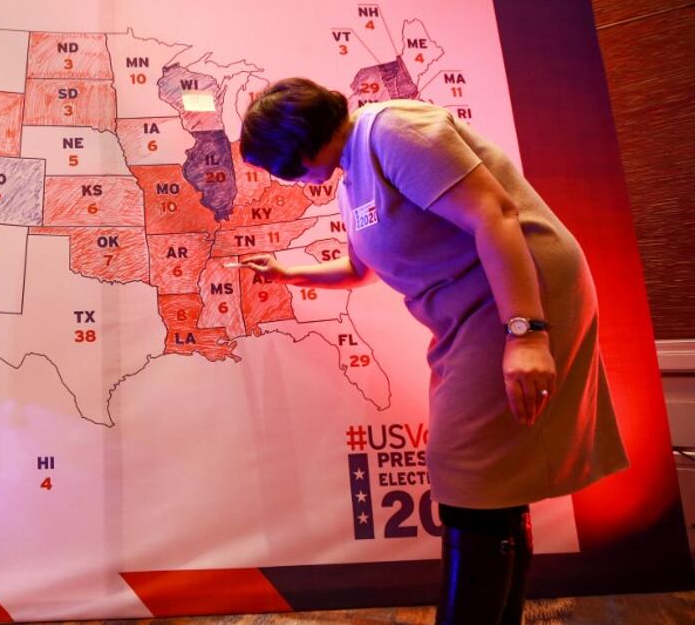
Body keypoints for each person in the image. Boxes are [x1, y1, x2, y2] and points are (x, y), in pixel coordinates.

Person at [237, 79, 628, 624]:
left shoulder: (393, 130)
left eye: (273, 164)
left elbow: (495, 215)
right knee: (489, 482)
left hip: (514, 300)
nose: (280, 177)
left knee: (471, 477)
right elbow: (358, 270)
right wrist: (286, 272)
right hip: (467, 318)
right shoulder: (351, 177)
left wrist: (527, 332)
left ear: (293, 144)